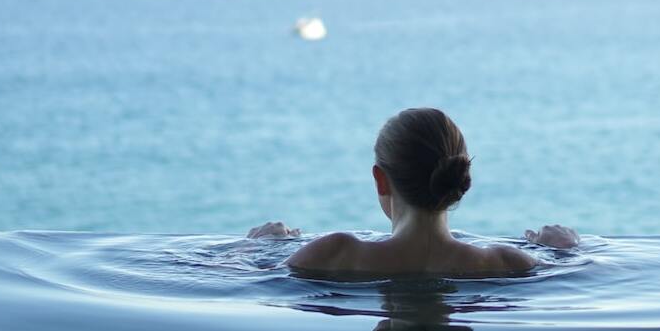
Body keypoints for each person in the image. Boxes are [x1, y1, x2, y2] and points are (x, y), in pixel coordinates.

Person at [247, 106, 579, 276]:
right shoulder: (505, 263)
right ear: (460, 179)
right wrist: (565, 250)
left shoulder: (335, 254)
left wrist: (258, 247)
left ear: (380, 179)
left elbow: (242, 278)